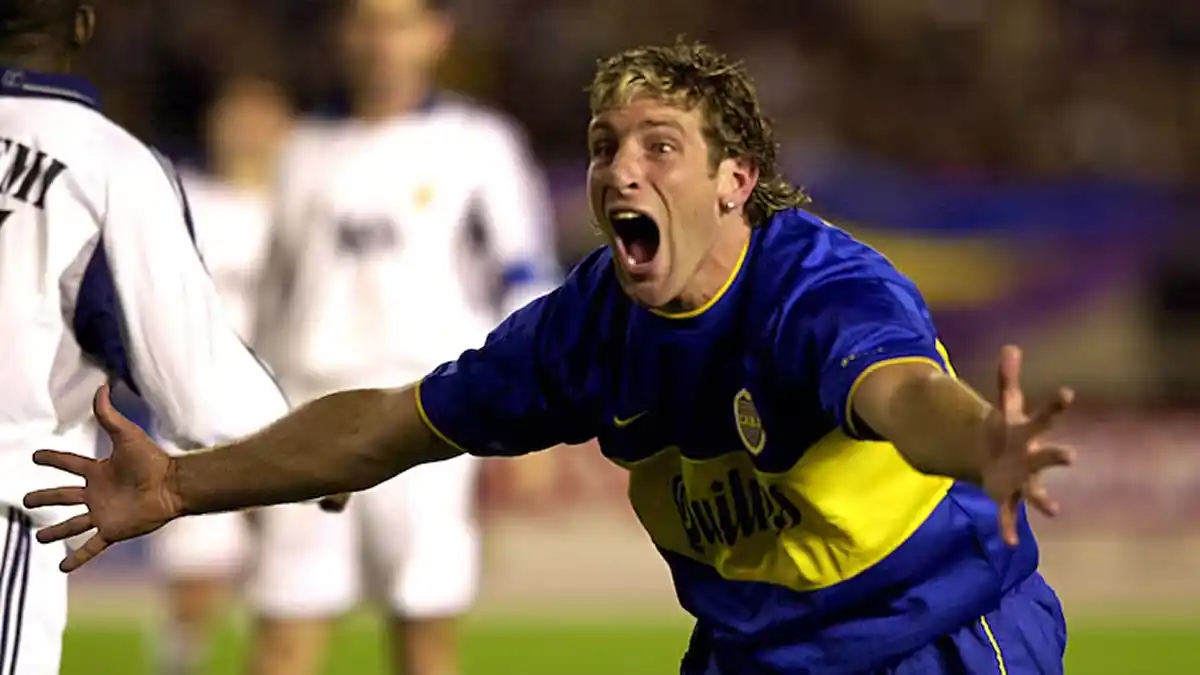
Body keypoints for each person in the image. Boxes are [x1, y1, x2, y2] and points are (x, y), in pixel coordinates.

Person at [27, 40, 1078, 675]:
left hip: (930, 637)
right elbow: (391, 425)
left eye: (658, 144)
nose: (619, 168)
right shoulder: (587, 328)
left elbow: (901, 394)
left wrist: (981, 441)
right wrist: (181, 485)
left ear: (735, 180)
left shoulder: (818, 290)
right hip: (758, 655)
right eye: (602, 145)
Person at [241, 0, 559, 673]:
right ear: (344, 34)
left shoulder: (478, 144)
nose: (383, 42)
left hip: (428, 406)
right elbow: (275, 294)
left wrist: (531, 405)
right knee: (284, 625)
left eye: (399, 23)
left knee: (424, 629)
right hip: (310, 404)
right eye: (367, 22)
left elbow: (525, 275)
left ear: (435, 36)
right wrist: (249, 417)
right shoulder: (303, 148)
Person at [0, 2, 298, 673]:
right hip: (11, 498)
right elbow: (198, 383)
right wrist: (314, 452)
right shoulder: (106, 163)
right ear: (83, 24)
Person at [147, 72, 295, 675]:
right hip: (196, 417)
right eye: (238, 116)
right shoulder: (183, 203)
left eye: (263, 118)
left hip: (294, 416)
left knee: (286, 595)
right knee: (194, 586)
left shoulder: (302, 206)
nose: (249, 132)